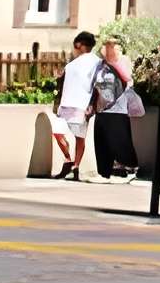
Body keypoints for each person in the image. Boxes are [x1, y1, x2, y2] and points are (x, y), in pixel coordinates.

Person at [54, 30, 101, 181]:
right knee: (60, 133)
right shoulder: (72, 65)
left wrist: (92, 104)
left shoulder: (96, 62)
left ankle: (75, 167)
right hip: (69, 104)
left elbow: (97, 85)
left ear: (78, 44)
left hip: (81, 105)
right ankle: (69, 161)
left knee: (77, 136)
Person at [91, 40, 142, 182]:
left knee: (120, 142)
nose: (108, 49)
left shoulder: (123, 61)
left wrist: (113, 64)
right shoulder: (100, 65)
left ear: (118, 48)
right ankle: (104, 172)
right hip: (101, 110)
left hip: (116, 111)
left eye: (111, 46)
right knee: (102, 144)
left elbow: (127, 79)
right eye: (106, 46)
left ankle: (130, 168)